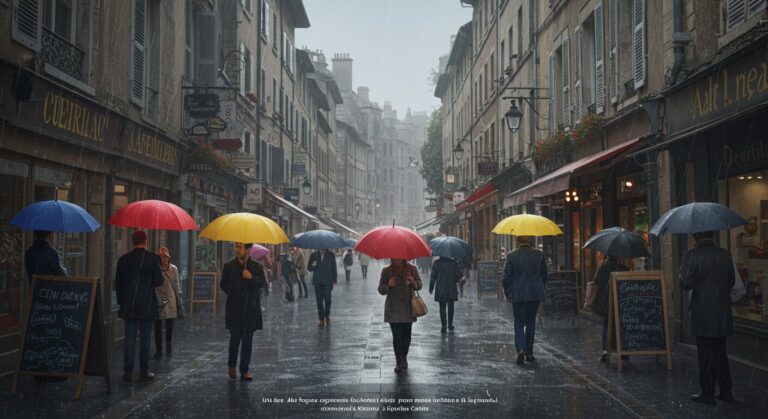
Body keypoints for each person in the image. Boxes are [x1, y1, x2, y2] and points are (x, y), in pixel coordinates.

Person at [679, 231, 736, 405]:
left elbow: (686, 284)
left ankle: (707, 392)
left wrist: (683, 275)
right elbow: (731, 281)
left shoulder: (693, 255)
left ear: (695, 236)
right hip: (722, 311)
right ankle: (726, 391)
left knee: (705, 354)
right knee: (720, 352)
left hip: (703, 312)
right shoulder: (724, 255)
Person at [115, 230, 163, 382]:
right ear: (146, 241)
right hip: (147, 305)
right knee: (145, 338)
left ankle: (128, 372)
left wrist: (122, 302)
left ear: (132, 241)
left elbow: (118, 284)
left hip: (129, 305)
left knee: (129, 338)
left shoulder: (123, 260)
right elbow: (159, 281)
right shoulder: (152, 258)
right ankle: (144, 371)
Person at [220, 243, 266, 381]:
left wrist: (251, 277)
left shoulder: (257, 266)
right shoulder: (229, 266)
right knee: (234, 340)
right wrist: (234, 294)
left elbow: (262, 283)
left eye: (240, 247)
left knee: (247, 341)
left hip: (250, 309)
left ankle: (245, 370)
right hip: (234, 308)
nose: (237, 249)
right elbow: (223, 284)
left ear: (247, 250)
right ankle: (232, 366)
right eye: (236, 246)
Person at [502, 235, 548, 365]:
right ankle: (530, 352)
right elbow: (545, 275)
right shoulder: (539, 254)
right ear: (530, 240)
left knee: (519, 323)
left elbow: (506, 278)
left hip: (518, 294)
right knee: (531, 323)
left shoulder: (511, 255)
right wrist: (539, 287)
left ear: (518, 240)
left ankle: (521, 349)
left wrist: (508, 292)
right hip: (534, 294)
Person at [378, 258, 422, 372]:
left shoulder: (412, 269)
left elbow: (419, 285)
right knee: (397, 337)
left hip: (408, 308)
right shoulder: (386, 271)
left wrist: (413, 282)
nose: (397, 257)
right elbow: (381, 289)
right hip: (393, 309)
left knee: (406, 336)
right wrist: (388, 285)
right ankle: (399, 361)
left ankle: (404, 357)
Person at [592, 255, 628, 362]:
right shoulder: (623, 268)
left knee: (606, 325)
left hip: (606, 302)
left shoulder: (602, 268)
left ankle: (605, 351)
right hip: (621, 301)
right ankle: (624, 351)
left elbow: (596, 282)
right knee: (622, 325)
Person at [154, 247, 181, 358]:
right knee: (157, 326)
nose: (164, 259)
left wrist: (179, 296)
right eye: (162, 257)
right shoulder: (156, 269)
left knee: (170, 325)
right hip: (158, 299)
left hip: (170, 300)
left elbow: (176, 284)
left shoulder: (173, 269)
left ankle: (168, 345)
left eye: (166, 257)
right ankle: (159, 349)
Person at [429, 256, 463, 333]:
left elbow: (433, 277)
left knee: (442, 306)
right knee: (451, 306)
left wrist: (431, 288)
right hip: (451, 287)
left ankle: (443, 325)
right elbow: (459, 276)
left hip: (440, 288)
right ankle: (450, 324)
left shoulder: (436, 263)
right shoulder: (453, 263)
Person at [308, 248, 337, 326]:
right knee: (319, 301)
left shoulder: (331, 255)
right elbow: (309, 268)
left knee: (328, 299)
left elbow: (334, 268)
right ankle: (321, 319)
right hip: (317, 281)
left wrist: (334, 280)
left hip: (328, 281)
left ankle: (327, 315)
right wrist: (313, 265)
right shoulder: (314, 255)